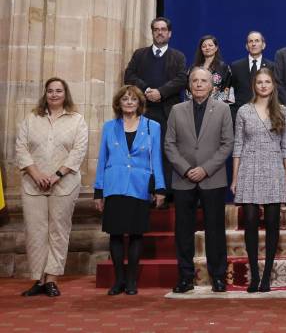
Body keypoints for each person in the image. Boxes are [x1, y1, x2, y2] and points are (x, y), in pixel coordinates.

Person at [15, 77, 88, 297]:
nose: (54, 94)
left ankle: (52, 279)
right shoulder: (31, 118)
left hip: (64, 184)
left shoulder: (77, 120)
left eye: (58, 91)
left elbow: (79, 150)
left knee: (58, 231)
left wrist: (57, 174)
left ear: (65, 94)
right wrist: (36, 173)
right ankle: (38, 279)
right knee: (35, 231)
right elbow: (21, 148)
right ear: (45, 94)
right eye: (50, 91)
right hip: (33, 184)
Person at [165, 67, 234, 294]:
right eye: (194, 81)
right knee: (183, 232)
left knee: (215, 230)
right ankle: (185, 278)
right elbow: (170, 145)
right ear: (189, 85)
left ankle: (218, 277)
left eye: (203, 81)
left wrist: (205, 169)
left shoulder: (223, 109)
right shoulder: (176, 110)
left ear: (211, 85)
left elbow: (227, 144)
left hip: (212, 178)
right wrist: (186, 170)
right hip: (183, 180)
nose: (198, 84)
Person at [93, 85, 166, 295]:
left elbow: (157, 161)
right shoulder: (109, 127)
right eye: (125, 99)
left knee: (136, 235)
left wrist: (160, 188)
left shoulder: (153, 126)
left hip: (139, 186)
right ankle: (119, 280)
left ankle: (132, 280)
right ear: (119, 103)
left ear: (140, 103)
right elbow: (102, 160)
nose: (129, 102)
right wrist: (99, 191)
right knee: (115, 235)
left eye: (133, 99)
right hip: (114, 186)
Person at [231, 67, 286, 293]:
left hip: (274, 168)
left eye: (267, 82)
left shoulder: (283, 111)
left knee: (273, 225)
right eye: (260, 82)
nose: (264, 86)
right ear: (254, 86)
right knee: (250, 224)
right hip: (249, 168)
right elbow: (238, 145)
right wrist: (235, 177)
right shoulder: (244, 111)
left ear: (273, 85)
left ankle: (267, 277)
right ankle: (254, 276)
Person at [124, 16, 187, 196]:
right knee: (141, 152)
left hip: (168, 113)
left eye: (163, 29)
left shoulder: (178, 56)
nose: (160, 32)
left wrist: (161, 92)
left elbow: (182, 79)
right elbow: (129, 75)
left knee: (166, 152)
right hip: (142, 112)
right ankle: (142, 191)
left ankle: (163, 192)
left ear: (169, 33)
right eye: (156, 29)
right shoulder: (139, 54)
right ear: (152, 32)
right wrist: (147, 90)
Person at [228, 31, 275, 125]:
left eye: (257, 41)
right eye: (250, 41)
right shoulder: (236, 66)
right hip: (239, 117)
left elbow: (275, 92)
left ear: (263, 45)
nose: (254, 44)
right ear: (246, 46)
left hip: (265, 116)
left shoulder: (272, 67)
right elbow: (230, 93)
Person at [185, 35, 232, 103]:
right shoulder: (193, 68)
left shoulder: (224, 68)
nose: (207, 48)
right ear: (201, 49)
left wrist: (218, 106)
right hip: (195, 106)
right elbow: (188, 89)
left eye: (210, 45)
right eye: (204, 46)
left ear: (216, 48)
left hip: (216, 107)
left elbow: (227, 90)